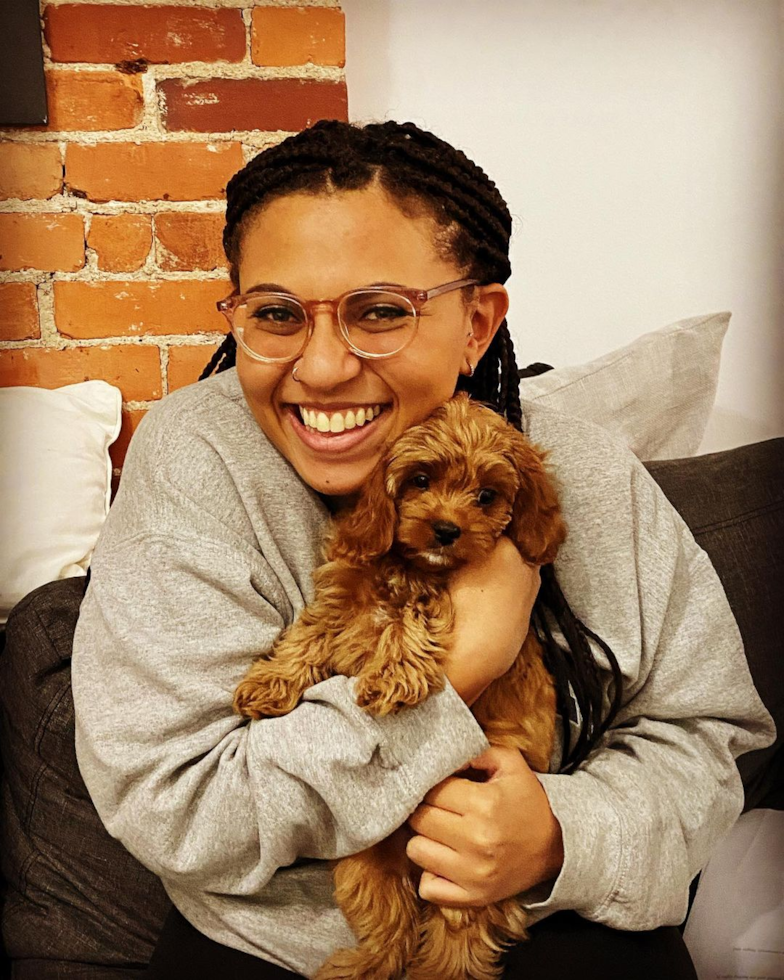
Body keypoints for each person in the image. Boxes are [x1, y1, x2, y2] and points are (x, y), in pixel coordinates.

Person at [71, 120, 774, 980]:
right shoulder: (197, 456)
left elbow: (706, 730)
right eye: (277, 314)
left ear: (477, 322)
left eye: (380, 312)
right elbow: (177, 805)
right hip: (281, 950)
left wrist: (561, 834)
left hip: (559, 924)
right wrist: (457, 671)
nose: (323, 368)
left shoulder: (582, 467)